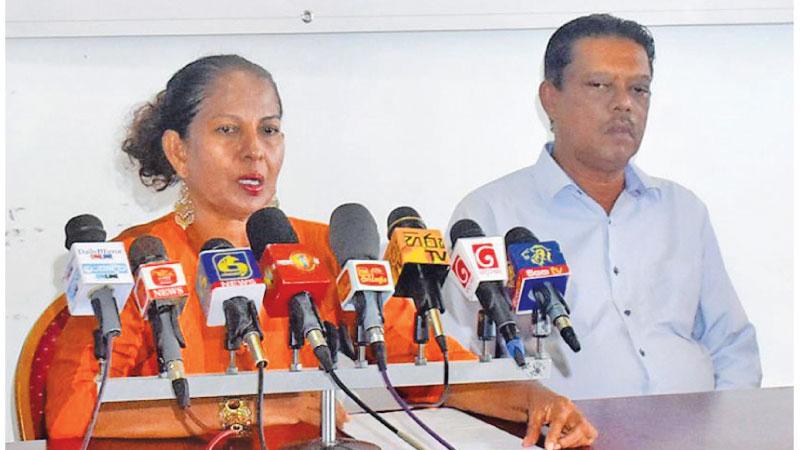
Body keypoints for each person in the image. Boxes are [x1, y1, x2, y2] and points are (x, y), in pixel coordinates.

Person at [45, 54, 596, 449]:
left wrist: (536, 401)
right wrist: (265, 410)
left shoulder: (318, 249)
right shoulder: (136, 259)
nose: (254, 151)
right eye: (226, 130)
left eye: (270, 130)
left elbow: (431, 365)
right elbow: (72, 413)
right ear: (178, 151)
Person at [444, 14, 762, 401]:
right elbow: (457, 362)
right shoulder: (489, 215)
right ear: (550, 99)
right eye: (599, 86)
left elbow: (732, 345)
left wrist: (727, 431)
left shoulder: (682, 210)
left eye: (639, 89)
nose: (624, 104)